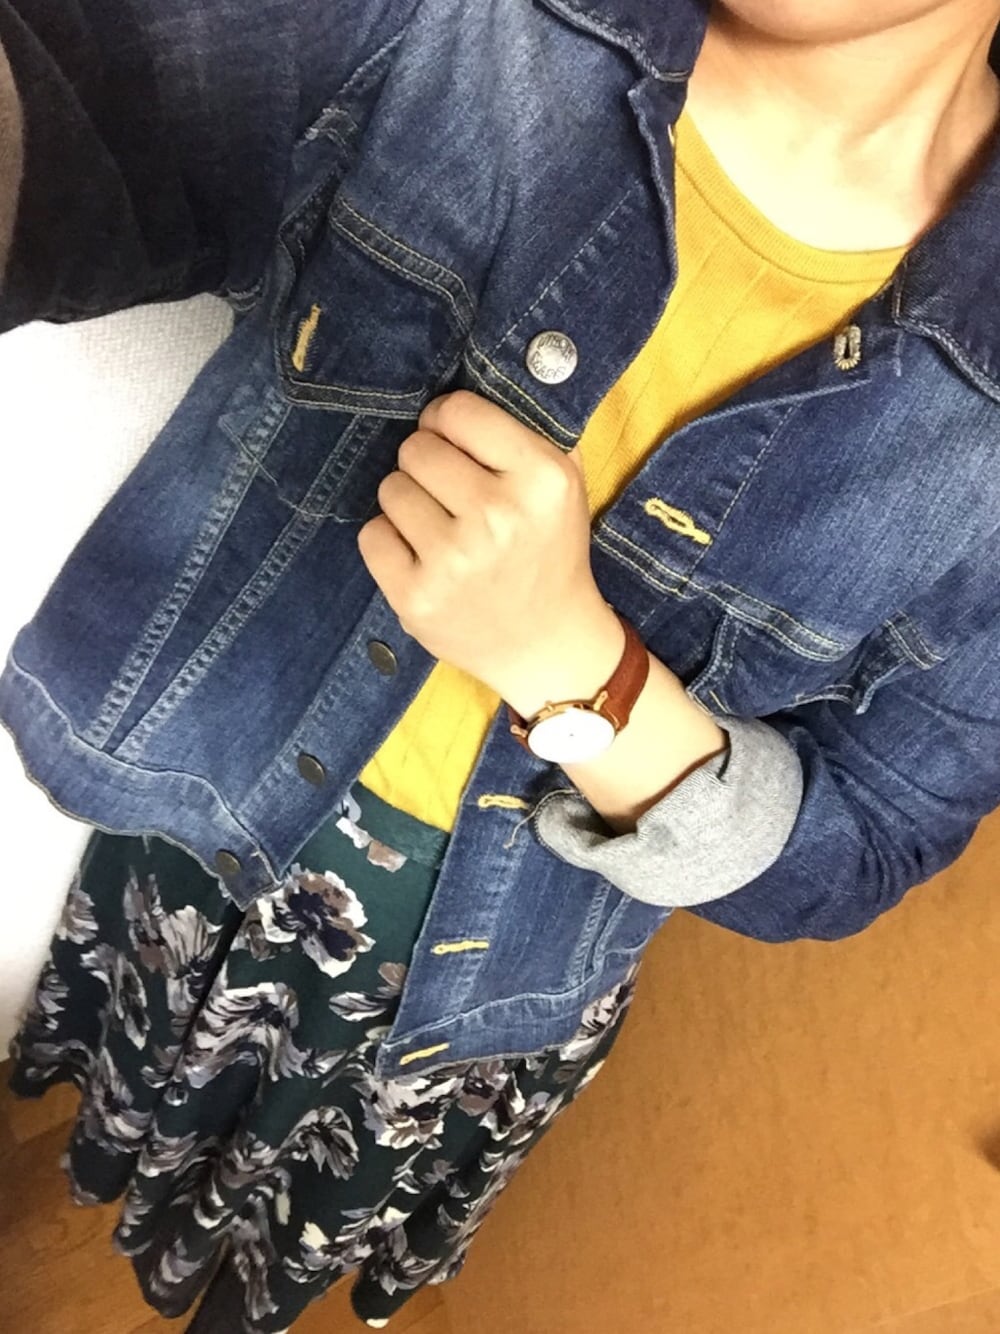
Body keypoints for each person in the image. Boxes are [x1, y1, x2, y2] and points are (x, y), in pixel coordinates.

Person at [3, 0, 1000, 1329]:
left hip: (483, 975)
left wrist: (581, 674)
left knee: (287, 1211)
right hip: (220, 801)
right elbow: (94, 89)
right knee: (150, 1085)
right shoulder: (468, 25)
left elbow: (869, 838)